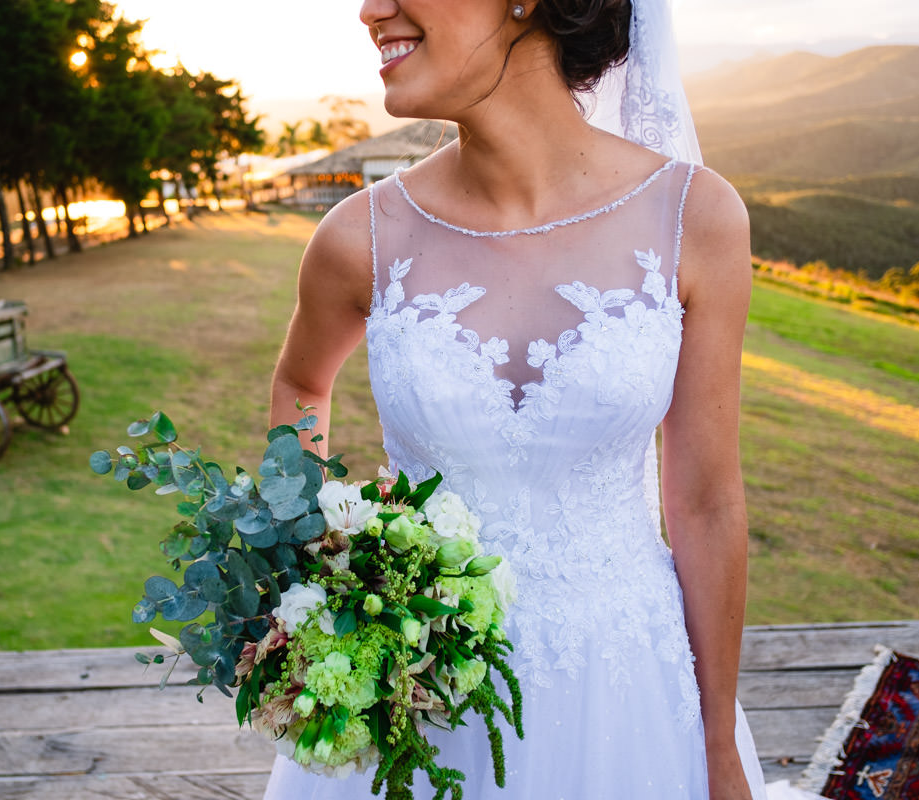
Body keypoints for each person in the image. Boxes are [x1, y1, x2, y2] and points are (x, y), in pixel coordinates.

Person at [266, 0, 769, 797]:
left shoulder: (693, 218)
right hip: (421, 700)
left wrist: (715, 744)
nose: (369, 9)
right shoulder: (357, 237)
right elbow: (301, 383)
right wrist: (320, 556)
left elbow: (706, 502)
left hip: (626, 691)